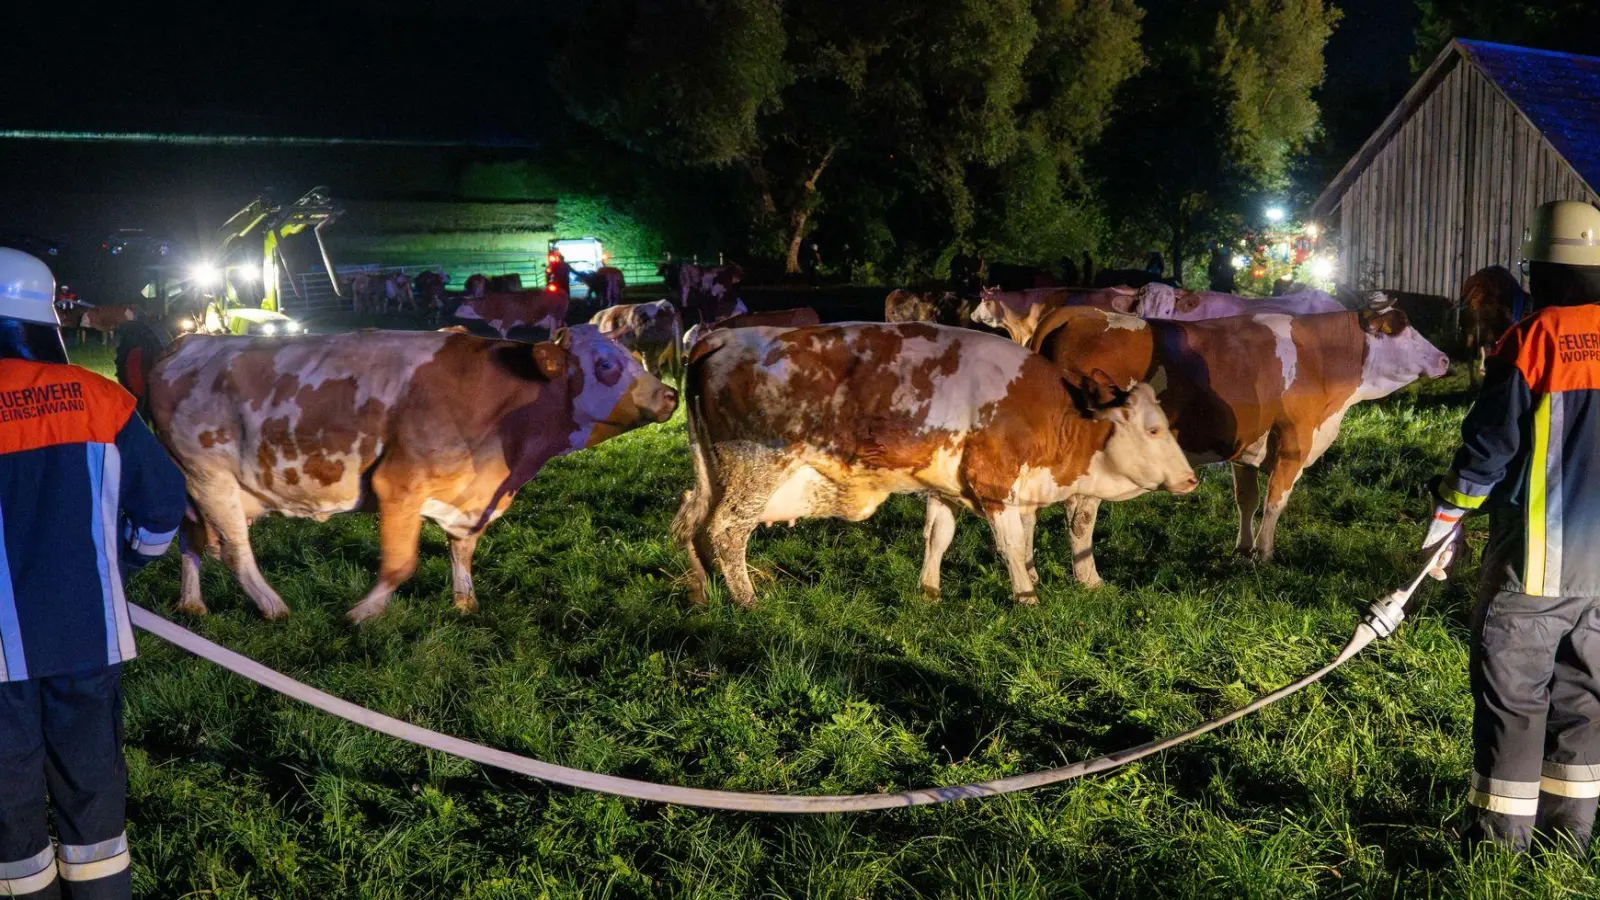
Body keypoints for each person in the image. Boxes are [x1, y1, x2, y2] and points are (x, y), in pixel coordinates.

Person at [0, 248, 186, 899]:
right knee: (92, 772)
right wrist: (124, 564)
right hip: (87, 630)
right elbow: (163, 505)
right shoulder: (100, 398)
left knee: (7, 784)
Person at [1424, 200, 1600, 854]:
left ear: (1542, 271)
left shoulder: (1532, 341)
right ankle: (1567, 843)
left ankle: (1497, 845)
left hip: (1534, 571)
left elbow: (1488, 449)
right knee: (1585, 706)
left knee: (1514, 704)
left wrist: (1448, 518)